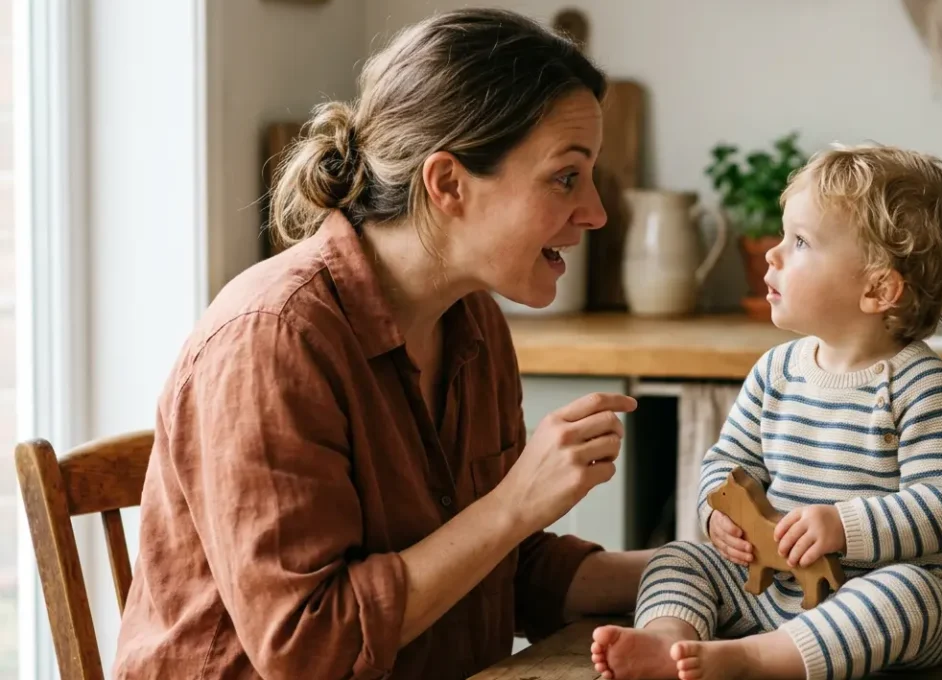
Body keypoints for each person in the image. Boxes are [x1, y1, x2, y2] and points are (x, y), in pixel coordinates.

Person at [113, 9, 653, 679]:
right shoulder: (272, 340)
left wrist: (695, 569)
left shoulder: (473, 323)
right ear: (448, 183)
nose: (596, 212)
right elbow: (311, 649)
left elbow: (495, 568)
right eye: (566, 177)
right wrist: (516, 502)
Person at [591, 144, 942, 680]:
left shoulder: (923, 386)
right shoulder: (776, 371)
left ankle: (754, 658)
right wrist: (718, 516)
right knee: (676, 558)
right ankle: (669, 640)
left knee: (910, 593)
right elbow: (728, 463)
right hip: (770, 587)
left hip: (871, 596)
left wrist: (843, 525)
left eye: (799, 242)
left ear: (878, 288)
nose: (773, 254)